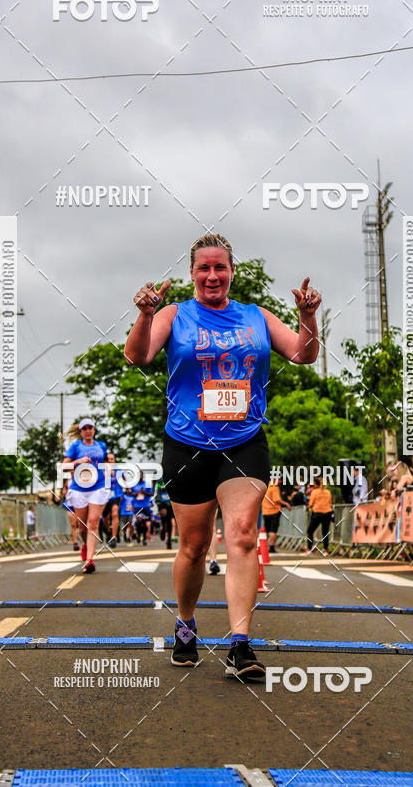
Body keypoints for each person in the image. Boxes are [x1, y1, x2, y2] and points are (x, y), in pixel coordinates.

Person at [124, 232, 321, 680]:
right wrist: (145, 313)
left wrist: (308, 316)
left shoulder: (255, 316)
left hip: (243, 443)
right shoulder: (175, 315)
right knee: (193, 547)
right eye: (204, 268)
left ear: (233, 271)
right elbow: (137, 356)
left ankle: (240, 644)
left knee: (243, 536)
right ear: (192, 273)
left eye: (220, 267)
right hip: (187, 445)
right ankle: (187, 626)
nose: (212, 276)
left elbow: (303, 354)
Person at [63, 418, 113, 573]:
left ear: (94, 429)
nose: (87, 430)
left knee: (93, 523)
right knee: (83, 527)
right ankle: (85, 544)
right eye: (84, 428)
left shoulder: (101, 446)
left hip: (97, 487)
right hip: (79, 488)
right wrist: (78, 461)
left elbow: (105, 462)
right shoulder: (75, 446)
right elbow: (64, 466)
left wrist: (108, 470)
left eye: (90, 427)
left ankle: (90, 559)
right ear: (80, 432)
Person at [261, 477, 290, 554]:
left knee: (266, 530)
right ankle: (272, 547)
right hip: (274, 511)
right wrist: (286, 503)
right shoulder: (274, 487)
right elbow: (276, 499)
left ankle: (264, 547)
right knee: (273, 530)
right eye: (280, 480)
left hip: (265, 511)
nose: (280, 482)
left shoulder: (265, 485)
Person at [306, 475, 333, 553]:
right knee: (325, 532)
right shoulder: (328, 492)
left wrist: (309, 507)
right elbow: (330, 503)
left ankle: (309, 548)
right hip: (327, 513)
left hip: (317, 513)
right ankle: (325, 550)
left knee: (310, 531)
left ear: (315, 484)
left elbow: (311, 504)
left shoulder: (314, 492)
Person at [101, 453, 123, 548]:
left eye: (112, 459)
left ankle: (114, 537)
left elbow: (120, 480)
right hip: (104, 497)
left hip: (115, 496)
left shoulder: (118, 470)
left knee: (114, 513)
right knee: (105, 519)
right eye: (108, 459)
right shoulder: (100, 470)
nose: (110, 461)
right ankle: (109, 532)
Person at [132, 470, 154, 545]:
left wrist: (144, 493)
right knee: (139, 521)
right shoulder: (134, 485)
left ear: (142, 476)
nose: (140, 476)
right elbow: (130, 494)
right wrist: (135, 494)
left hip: (146, 506)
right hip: (137, 506)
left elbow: (151, 494)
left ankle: (144, 538)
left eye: (141, 475)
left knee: (145, 523)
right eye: (138, 475)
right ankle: (138, 534)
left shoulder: (147, 484)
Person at [155, 478, 174, 550]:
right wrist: (159, 504)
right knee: (164, 518)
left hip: (171, 503)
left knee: (169, 522)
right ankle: (163, 529)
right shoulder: (160, 481)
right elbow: (158, 492)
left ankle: (169, 540)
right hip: (162, 503)